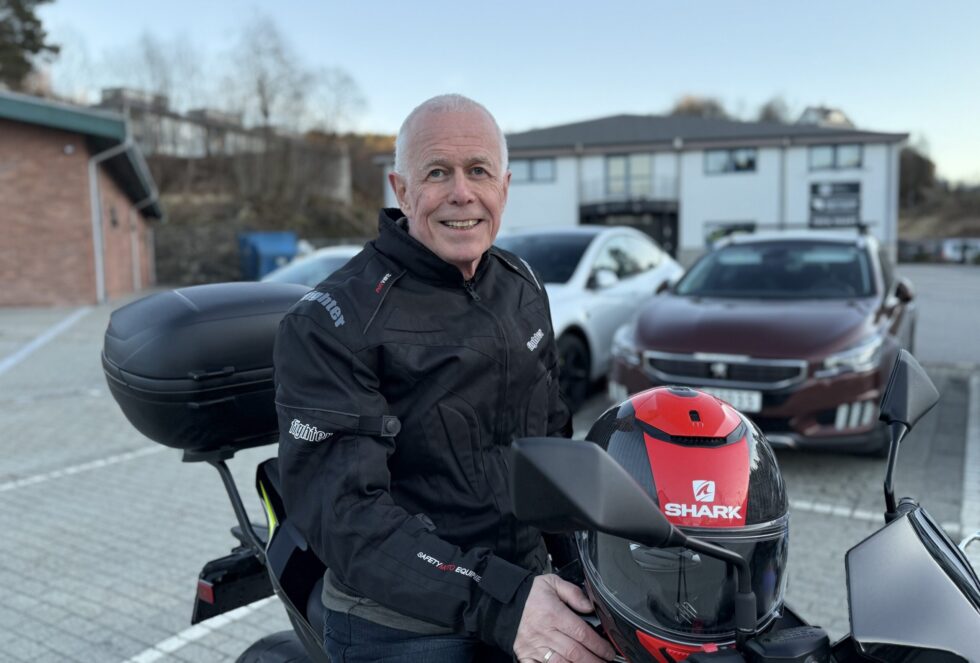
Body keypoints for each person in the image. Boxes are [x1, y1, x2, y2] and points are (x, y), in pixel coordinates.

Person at [274, 94, 616, 663]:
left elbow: (552, 441)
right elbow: (345, 515)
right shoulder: (333, 320)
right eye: (437, 172)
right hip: (404, 620)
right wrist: (503, 602)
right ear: (401, 190)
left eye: (479, 171)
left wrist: (585, 567)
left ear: (504, 186)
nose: (462, 192)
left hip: (527, 589)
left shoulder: (521, 284)